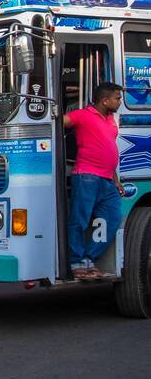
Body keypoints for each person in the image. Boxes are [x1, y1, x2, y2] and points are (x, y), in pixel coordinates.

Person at [64, 82, 126, 279]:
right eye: (117, 98)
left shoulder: (110, 119)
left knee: (113, 218)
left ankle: (89, 258)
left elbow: (108, 149)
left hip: (107, 179)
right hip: (86, 175)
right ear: (105, 100)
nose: (120, 101)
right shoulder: (82, 115)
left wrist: (115, 179)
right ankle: (76, 261)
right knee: (79, 220)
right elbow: (59, 122)